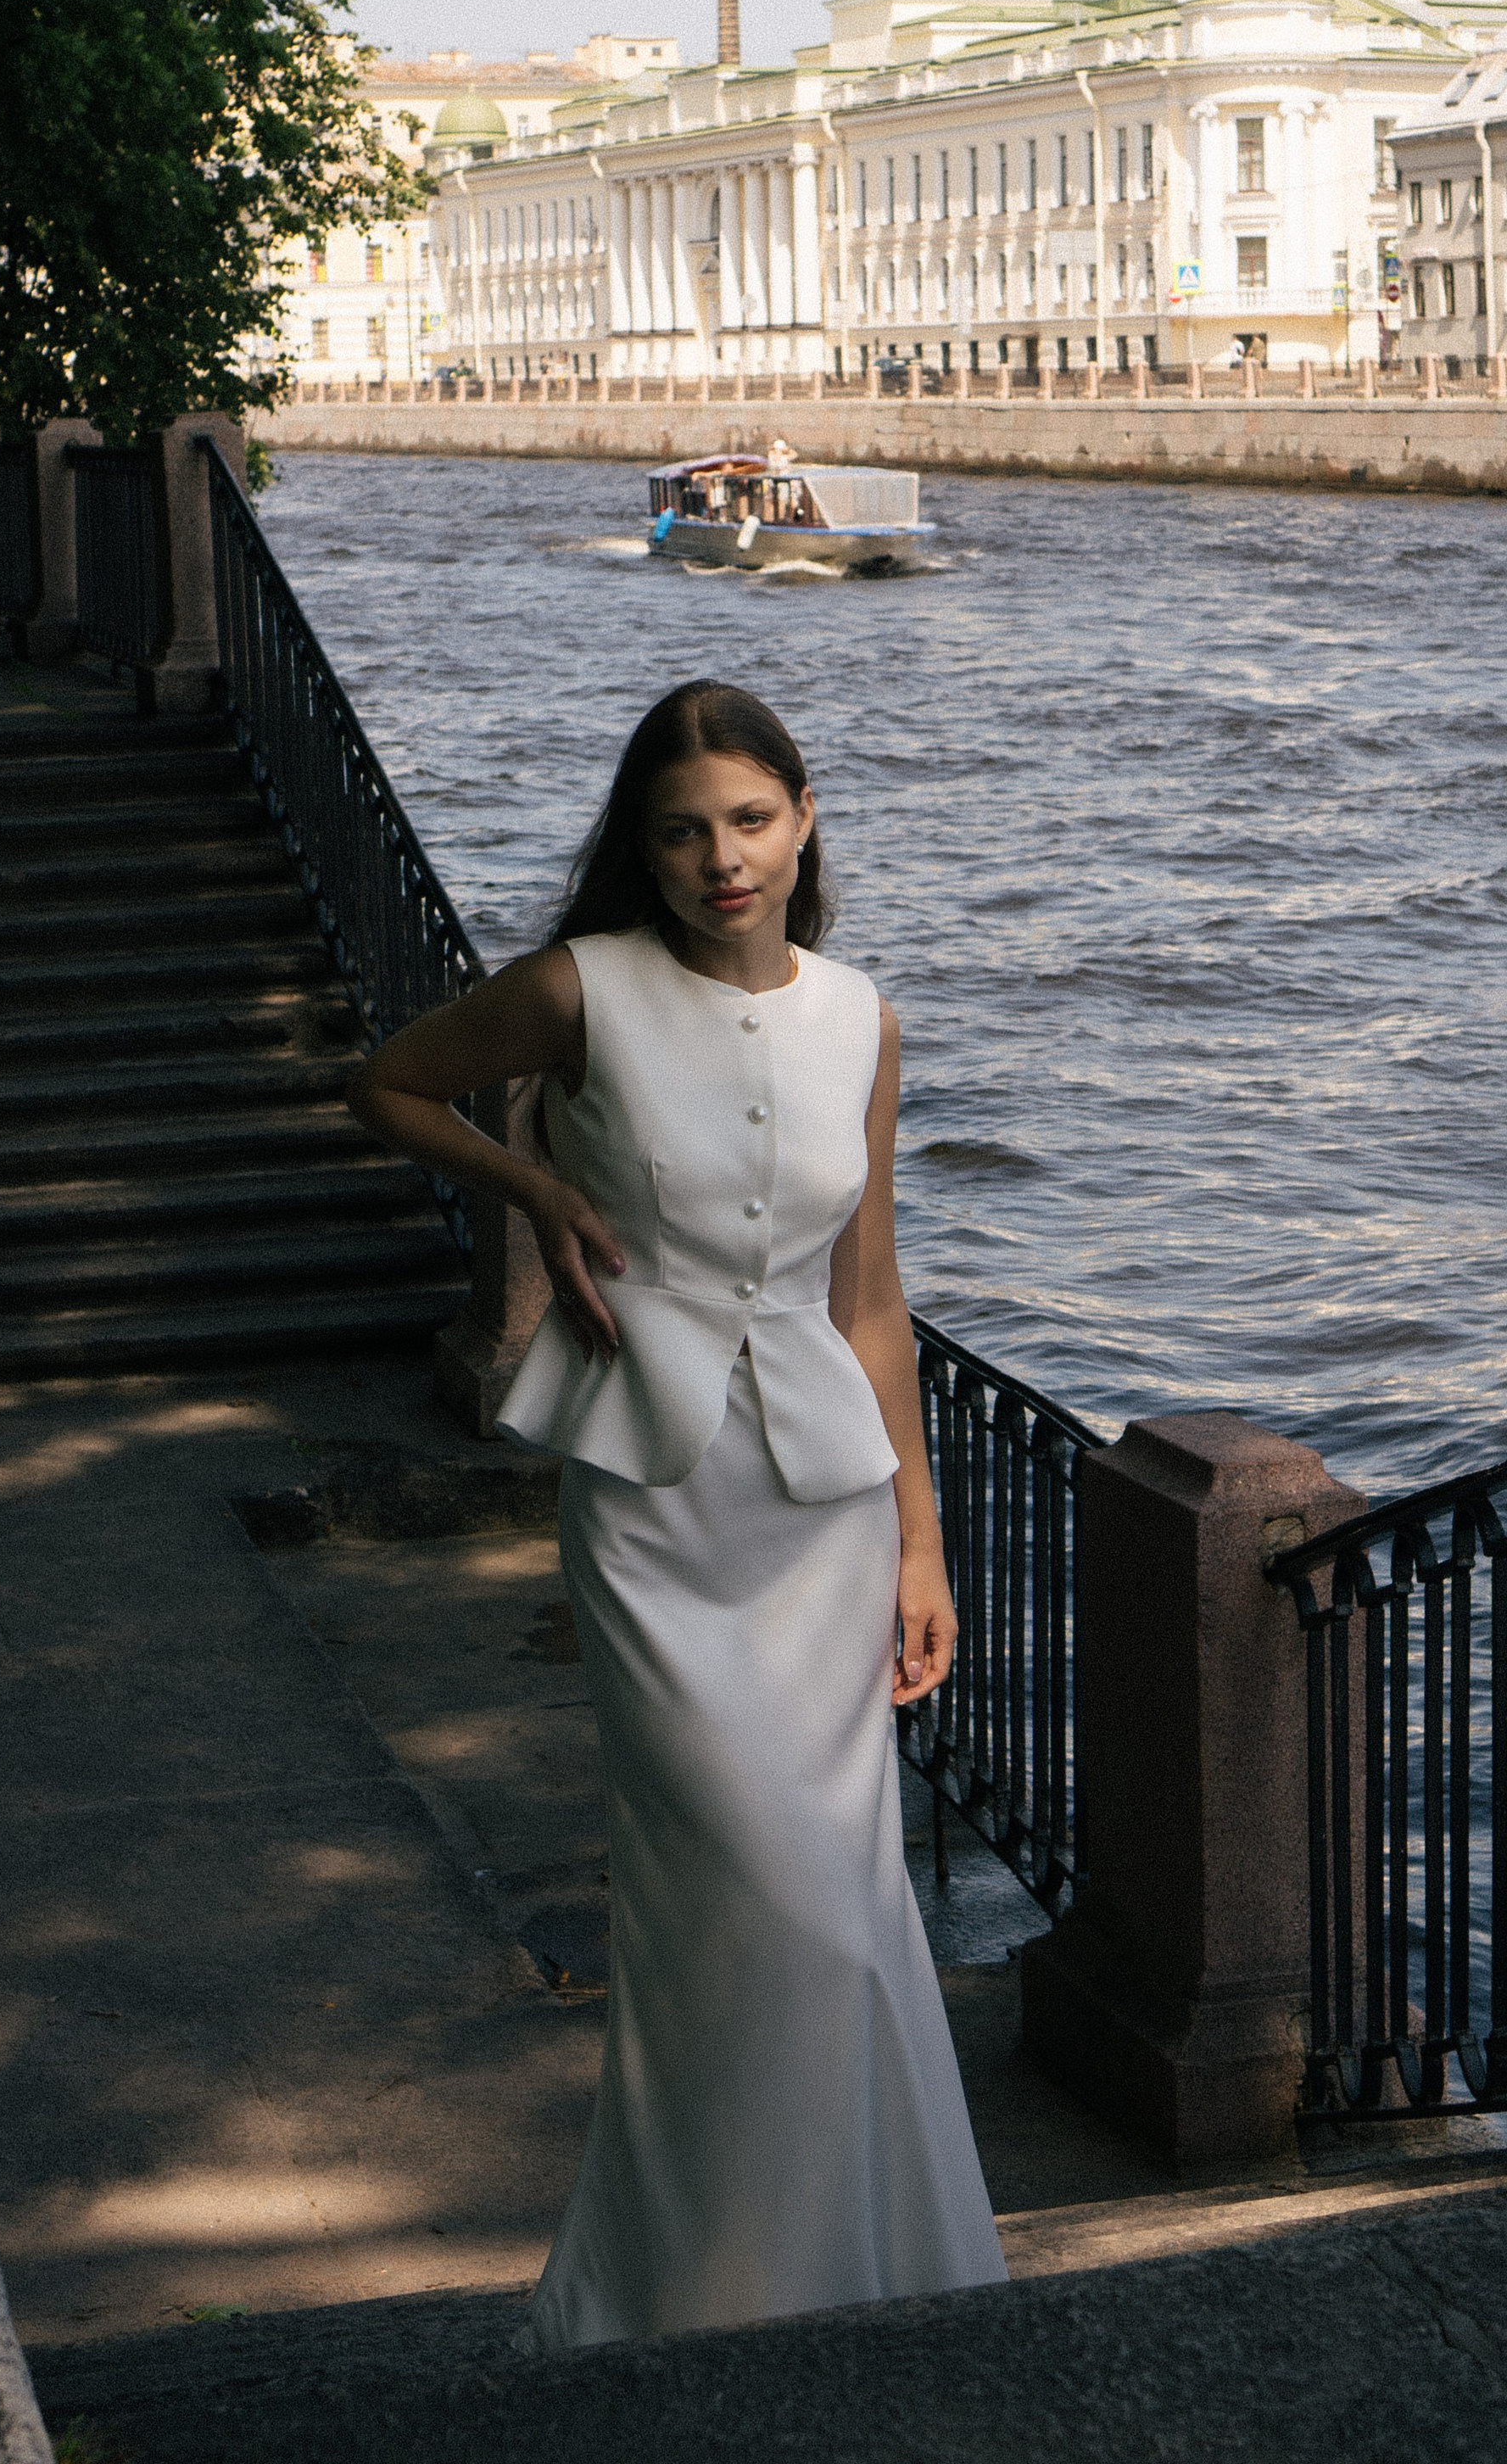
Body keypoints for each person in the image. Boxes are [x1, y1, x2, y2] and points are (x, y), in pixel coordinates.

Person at [348, 681, 1007, 2348]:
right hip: (655, 1512)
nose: (720, 856)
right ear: (641, 850)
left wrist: (920, 1543)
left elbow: (868, 1302)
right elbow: (392, 1084)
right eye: (680, 828)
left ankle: (837, 2280)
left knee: (844, 1916)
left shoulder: (860, 1017)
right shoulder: (585, 991)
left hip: (823, 1519)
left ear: (802, 821)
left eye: (748, 818)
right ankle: (687, 2303)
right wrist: (541, 1187)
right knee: (749, 1907)